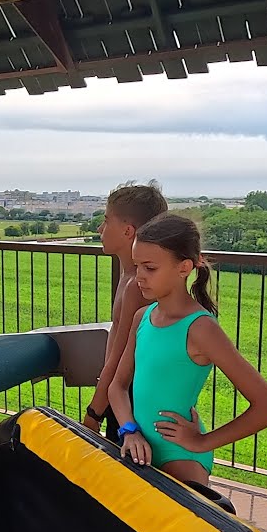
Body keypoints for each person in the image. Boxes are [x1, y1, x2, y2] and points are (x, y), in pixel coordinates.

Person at [107, 214, 267, 487]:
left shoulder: (200, 329)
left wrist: (202, 441)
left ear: (184, 267)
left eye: (150, 268)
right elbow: (117, 386)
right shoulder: (142, 316)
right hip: (137, 448)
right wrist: (129, 430)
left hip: (179, 457)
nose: (139, 276)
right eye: (137, 265)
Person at [83, 182, 168, 443]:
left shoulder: (135, 286)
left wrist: (93, 413)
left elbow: (120, 357)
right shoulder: (132, 277)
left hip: (127, 401)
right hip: (128, 395)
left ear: (128, 231)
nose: (100, 228)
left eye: (106, 220)